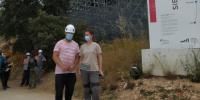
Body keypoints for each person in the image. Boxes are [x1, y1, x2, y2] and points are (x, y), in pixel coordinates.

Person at [52, 24, 80, 100]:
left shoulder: (76, 44)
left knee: (70, 92)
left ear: (73, 34)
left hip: (71, 73)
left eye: (71, 34)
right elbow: (54, 56)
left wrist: (73, 66)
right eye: (68, 33)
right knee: (59, 92)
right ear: (65, 33)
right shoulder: (59, 43)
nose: (69, 35)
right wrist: (62, 66)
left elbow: (77, 57)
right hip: (60, 73)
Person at [79, 30, 103, 100]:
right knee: (86, 90)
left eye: (88, 35)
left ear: (92, 35)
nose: (86, 36)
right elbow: (80, 59)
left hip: (94, 69)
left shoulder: (96, 45)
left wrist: (100, 69)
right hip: (84, 68)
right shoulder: (82, 46)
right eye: (85, 35)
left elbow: (100, 57)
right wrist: (79, 69)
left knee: (95, 89)